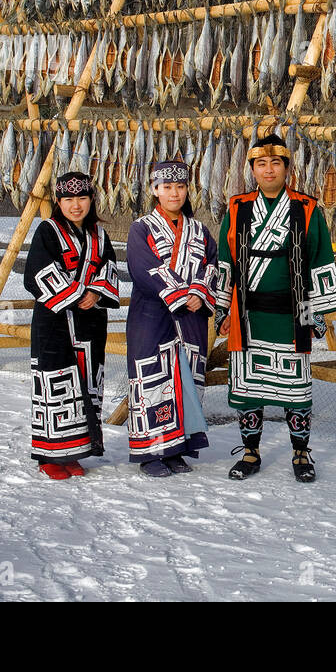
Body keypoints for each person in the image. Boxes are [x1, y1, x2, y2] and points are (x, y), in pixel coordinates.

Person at [216, 133, 336, 483]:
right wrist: (221, 309)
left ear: (287, 168)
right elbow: (225, 261)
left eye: (276, 163)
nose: (269, 169)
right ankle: (250, 451)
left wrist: (315, 314)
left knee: (297, 393)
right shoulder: (237, 207)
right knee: (249, 391)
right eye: (261, 163)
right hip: (248, 316)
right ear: (253, 169)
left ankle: (301, 453)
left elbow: (320, 260)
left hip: (295, 311)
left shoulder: (306, 208)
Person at [124, 160, 219, 478]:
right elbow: (143, 267)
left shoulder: (200, 230)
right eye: (167, 187)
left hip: (191, 317)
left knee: (186, 381)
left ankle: (177, 448)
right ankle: (151, 452)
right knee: (154, 381)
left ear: (187, 189)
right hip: (152, 315)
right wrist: (180, 295)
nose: (174, 193)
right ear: (154, 190)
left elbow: (212, 265)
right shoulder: (141, 228)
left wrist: (200, 293)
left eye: (179, 186)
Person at [23, 172, 120, 480]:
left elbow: (110, 270)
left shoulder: (99, 236)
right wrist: (79, 293)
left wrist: (96, 292)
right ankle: (50, 456)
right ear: (58, 202)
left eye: (82, 198)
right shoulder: (47, 231)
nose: (76, 206)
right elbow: (37, 273)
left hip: (89, 323)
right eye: (68, 199)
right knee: (57, 385)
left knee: (86, 387)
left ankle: (75, 452)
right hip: (55, 322)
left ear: (92, 200)